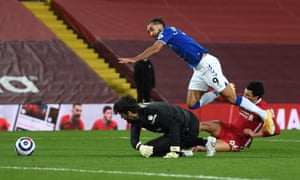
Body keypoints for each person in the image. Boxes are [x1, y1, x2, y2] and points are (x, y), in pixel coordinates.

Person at [118, 17, 275, 135]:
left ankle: (263, 114)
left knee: (232, 98)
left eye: (151, 29)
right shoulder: (170, 34)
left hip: (207, 64)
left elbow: (155, 49)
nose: (150, 33)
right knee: (192, 104)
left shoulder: (167, 31)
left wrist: (134, 59)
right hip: (198, 69)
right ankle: (216, 91)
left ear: (159, 26)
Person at [113, 95, 216, 158]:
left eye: (122, 115)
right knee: (150, 150)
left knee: (158, 149)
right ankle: (202, 142)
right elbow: (134, 139)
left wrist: (174, 150)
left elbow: (173, 125)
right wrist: (140, 147)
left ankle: (201, 143)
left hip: (189, 125)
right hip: (177, 128)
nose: (122, 118)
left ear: (129, 112)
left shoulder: (150, 113)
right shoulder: (135, 118)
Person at [193, 81, 280, 152]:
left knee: (205, 147)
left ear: (256, 97)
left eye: (248, 95)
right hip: (229, 128)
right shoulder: (243, 99)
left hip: (238, 139)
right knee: (204, 125)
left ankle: (194, 146)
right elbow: (223, 98)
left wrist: (255, 134)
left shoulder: (264, 109)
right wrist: (207, 89)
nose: (244, 97)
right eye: (245, 93)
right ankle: (185, 139)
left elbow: (276, 130)